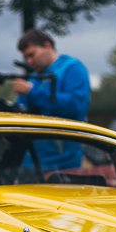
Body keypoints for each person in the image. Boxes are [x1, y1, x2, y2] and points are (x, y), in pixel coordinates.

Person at [11, 29, 91, 170]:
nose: (29, 61)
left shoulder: (72, 68)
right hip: (32, 162)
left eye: (32, 55)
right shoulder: (35, 76)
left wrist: (32, 91)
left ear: (47, 46)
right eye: (25, 58)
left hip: (63, 163)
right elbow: (22, 110)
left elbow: (75, 106)